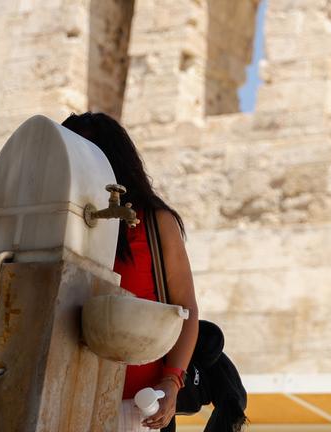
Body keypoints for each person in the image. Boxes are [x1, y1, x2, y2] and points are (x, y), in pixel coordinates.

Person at [62, 112, 199, 432]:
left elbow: (186, 309)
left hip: (138, 409)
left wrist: (172, 382)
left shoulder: (153, 222)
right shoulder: (59, 221)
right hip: (66, 399)